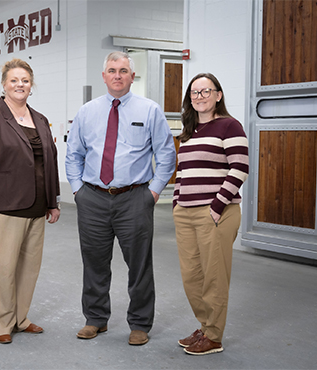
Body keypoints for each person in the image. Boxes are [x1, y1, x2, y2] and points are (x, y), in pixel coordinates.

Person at [65, 51, 176, 346]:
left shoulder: (150, 110)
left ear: (132, 76)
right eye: (112, 70)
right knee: (94, 262)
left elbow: (166, 155)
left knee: (139, 264)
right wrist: (78, 191)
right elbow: (73, 154)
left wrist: (152, 193)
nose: (117, 75)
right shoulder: (87, 111)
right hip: (93, 198)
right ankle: (95, 319)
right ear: (104, 76)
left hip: (134, 198)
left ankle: (140, 323)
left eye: (123, 70)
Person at [0, 58, 61, 344]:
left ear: (32, 85)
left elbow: (50, 161)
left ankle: (19, 317)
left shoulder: (39, 119)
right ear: (4, 84)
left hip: (35, 208)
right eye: (14, 80)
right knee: (0, 268)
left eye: (25, 81)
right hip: (3, 208)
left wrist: (53, 201)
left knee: (28, 268)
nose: (20, 85)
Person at [172, 73, 249, 355]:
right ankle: (204, 326)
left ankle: (214, 336)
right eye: (194, 93)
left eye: (205, 91)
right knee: (192, 276)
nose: (199, 97)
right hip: (186, 213)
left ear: (218, 95)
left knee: (214, 276)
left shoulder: (229, 125)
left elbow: (239, 168)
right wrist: (177, 202)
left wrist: (217, 206)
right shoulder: (189, 131)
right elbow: (183, 172)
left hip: (217, 212)